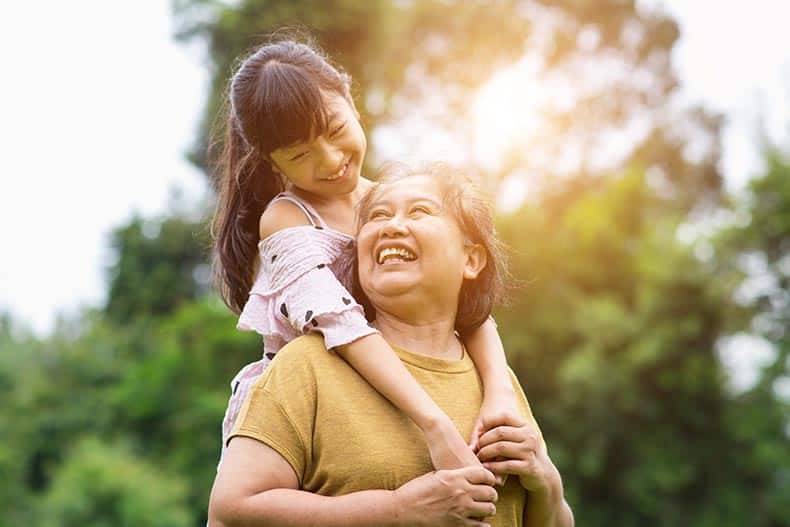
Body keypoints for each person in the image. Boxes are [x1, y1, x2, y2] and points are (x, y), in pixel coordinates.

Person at [211, 36, 520, 470]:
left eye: (336, 131)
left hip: (402, 386)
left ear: (349, 98)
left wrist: (499, 392)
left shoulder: (388, 204)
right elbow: (339, 323)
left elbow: (467, 304)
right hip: (313, 407)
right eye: (301, 154)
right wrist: (435, 423)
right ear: (273, 162)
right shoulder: (287, 218)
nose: (331, 159)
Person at [208, 164, 574, 527]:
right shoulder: (305, 365)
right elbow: (231, 511)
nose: (391, 226)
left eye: (419, 211)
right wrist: (397, 510)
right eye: (378, 216)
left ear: (471, 259)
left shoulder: (497, 383)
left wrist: (546, 481)